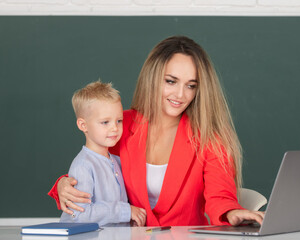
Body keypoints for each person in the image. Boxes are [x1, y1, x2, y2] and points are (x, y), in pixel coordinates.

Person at [49, 36, 264, 226]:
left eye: (191, 85)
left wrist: (231, 212)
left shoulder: (209, 137)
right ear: (153, 78)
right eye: (171, 81)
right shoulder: (120, 124)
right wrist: (63, 185)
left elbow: (221, 196)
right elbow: (95, 169)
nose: (180, 94)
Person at [58, 81, 146, 226]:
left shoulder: (116, 160)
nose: (114, 128)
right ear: (83, 125)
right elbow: (80, 214)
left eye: (119, 121)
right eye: (105, 122)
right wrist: (126, 211)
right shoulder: (83, 166)